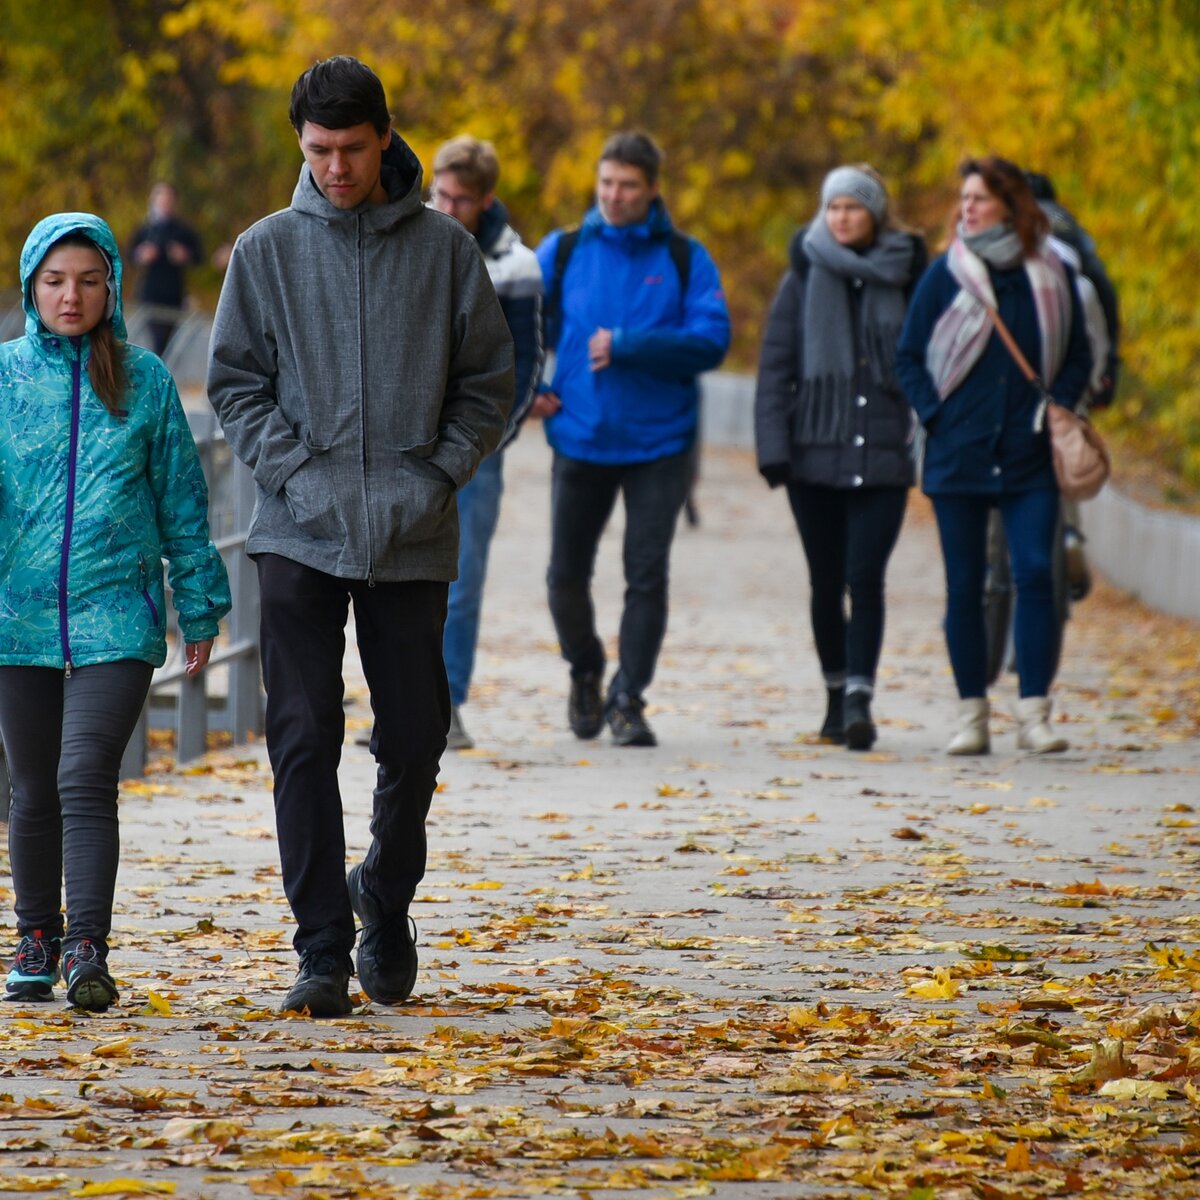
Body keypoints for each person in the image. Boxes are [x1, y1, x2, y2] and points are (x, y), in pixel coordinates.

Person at [207, 57, 514, 1018]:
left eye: (350, 148)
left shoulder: (447, 253)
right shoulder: (264, 252)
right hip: (297, 529)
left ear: (385, 136)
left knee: (416, 734)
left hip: (413, 531)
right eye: (317, 151)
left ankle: (383, 895)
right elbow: (234, 385)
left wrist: (435, 475)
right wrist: (294, 474)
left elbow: (488, 385)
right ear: (300, 146)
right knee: (302, 735)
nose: (335, 168)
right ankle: (320, 951)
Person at [0, 212, 230, 1010]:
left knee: (83, 773)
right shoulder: (3, 378)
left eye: (88, 281)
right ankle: (36, 935)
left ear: (113, 287)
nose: (72, 296)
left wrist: (199, 604)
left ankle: (87, 949)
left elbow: (181, 502)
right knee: (30, 784)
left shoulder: (144, 380)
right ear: (33, 286)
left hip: (117, 616)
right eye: (56, 281)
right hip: (17, 619)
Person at [536, 131, 730, 748]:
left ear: (652, 190)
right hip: (580, 437)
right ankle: (587, 668)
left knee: (645, 575)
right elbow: (512, 327)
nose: (614, 196)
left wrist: (628, 345)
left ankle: (629, 700)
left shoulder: (683, 257)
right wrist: (529, 391)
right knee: (565, 577)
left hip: (659, 445)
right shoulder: (563, 251)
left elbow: (712, 339)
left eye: (628, 186)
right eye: (606, 183)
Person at [895, 156, 1092, 755]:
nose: (967, 209)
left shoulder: (1051, 273)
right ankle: (971, 716)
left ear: (1011, 204)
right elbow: (908, 355)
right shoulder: (947, 273)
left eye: (979, 198)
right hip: (960, 454)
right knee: (965, 586)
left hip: (1029, 452)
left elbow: (1080, 354)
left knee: (1036, 574)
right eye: (964, 200)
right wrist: (937, 417)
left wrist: (1055, 403)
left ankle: (1035, 714)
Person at [755, 166, 927, 751]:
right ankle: (834, 694)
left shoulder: (906, 274)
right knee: (826, 582)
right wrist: (774, 450)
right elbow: (775, 370)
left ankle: (860, 698)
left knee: (866, 578)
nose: (842, 218)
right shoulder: (802, 277)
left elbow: (928, 360)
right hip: (814, 457)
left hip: (884, 455)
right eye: (833, 208)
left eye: (854, 208)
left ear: (876, 213)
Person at [430, 135, 543, 751]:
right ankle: (402, 699)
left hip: (479, 446)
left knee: (462, 577)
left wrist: (493, 436)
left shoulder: (516, 267)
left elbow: (524, 363)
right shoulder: (410, 241)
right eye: (438, 193)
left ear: (485, 201)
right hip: (409, 437)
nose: (445, 206)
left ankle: (447, 702)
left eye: (460, 198)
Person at [128, 183, 203, 357]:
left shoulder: (183, 230)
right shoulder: (145, 230)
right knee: (154, 341)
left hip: (174, 294)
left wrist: (185, 256)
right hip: (150, 294)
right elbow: (129, 255)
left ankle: (161, 373)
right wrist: (142, 255)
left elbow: (199, 257)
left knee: (168, 344)